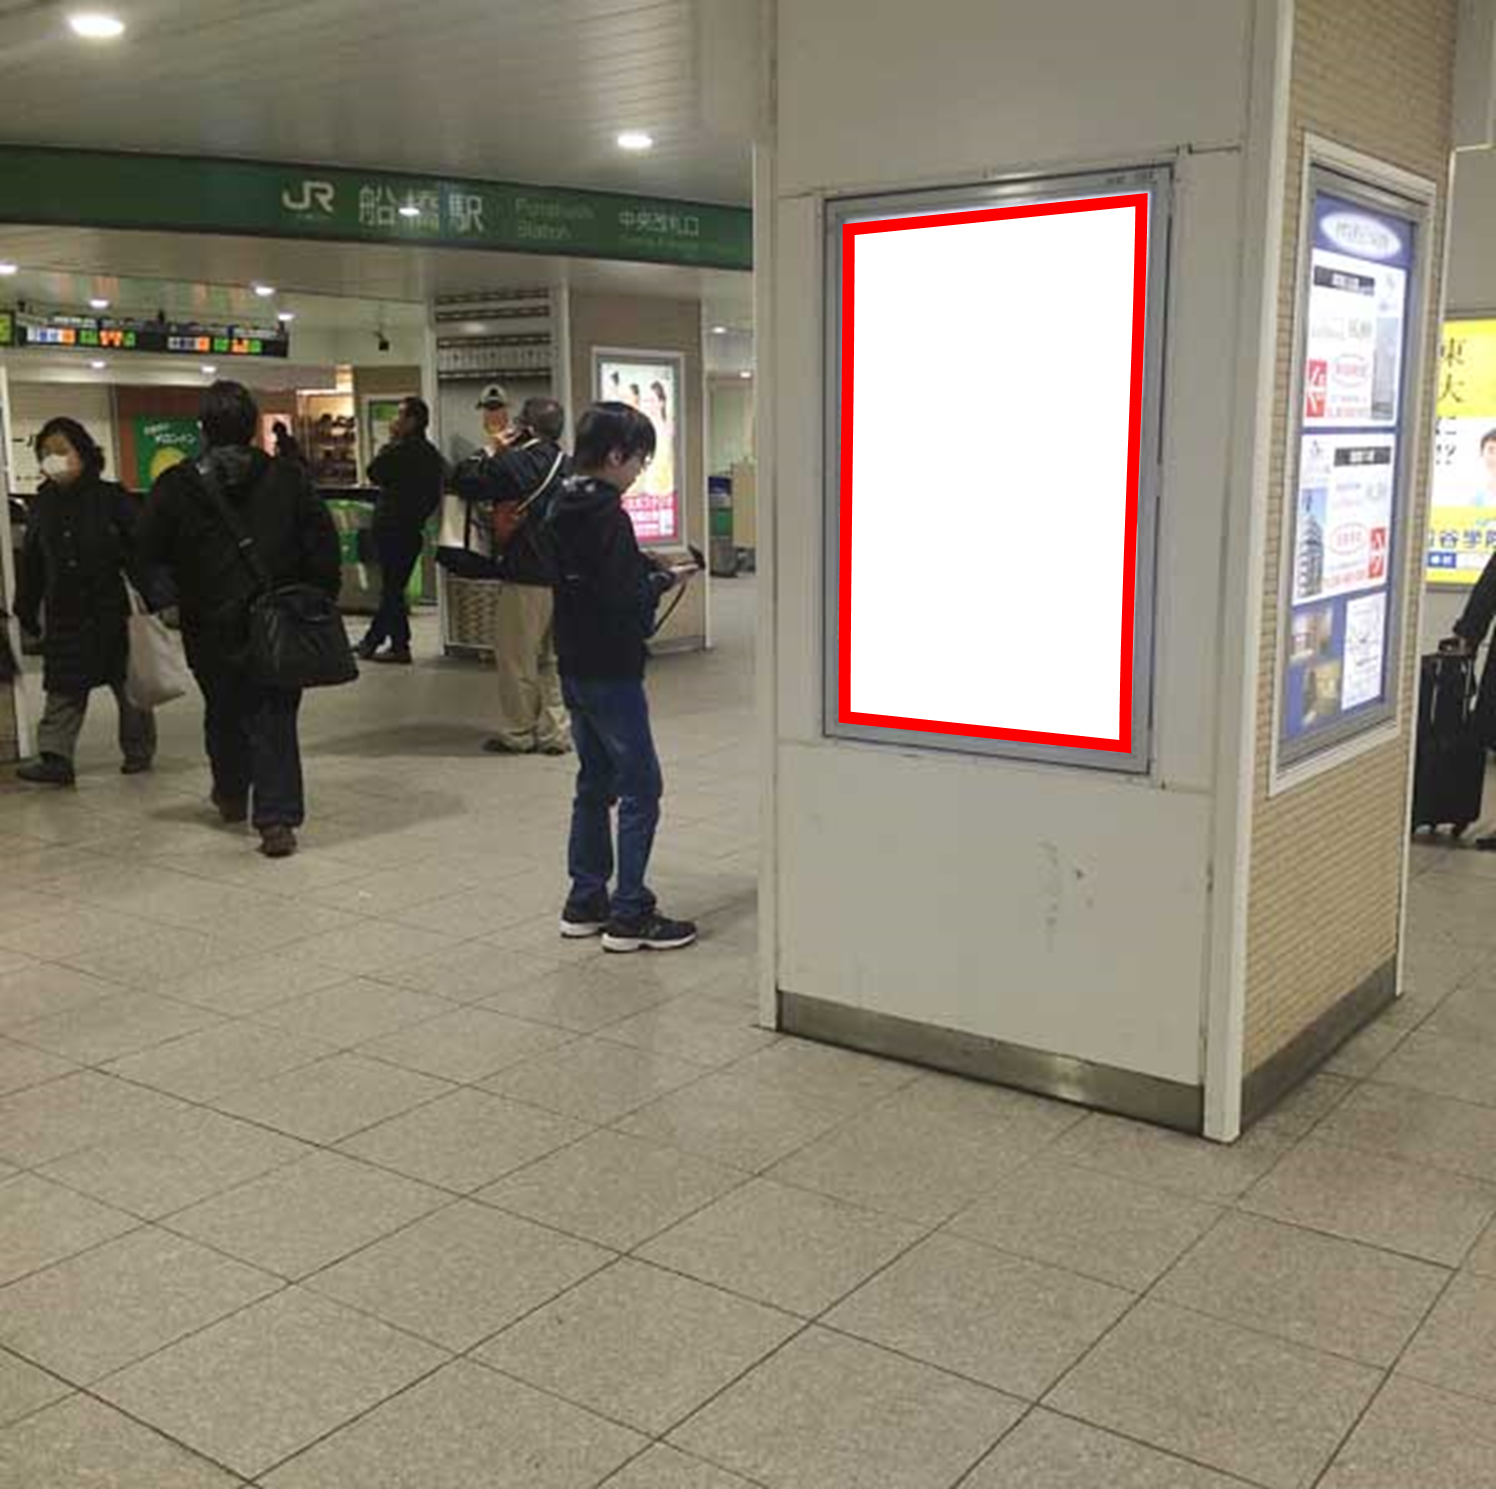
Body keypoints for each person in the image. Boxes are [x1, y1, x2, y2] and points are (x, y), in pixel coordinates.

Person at [137, 381, 340, 859]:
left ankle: (231, 791)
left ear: (203, 428)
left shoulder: (177, 485)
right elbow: (321, 543)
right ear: (252, 426)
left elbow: (146, 552)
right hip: (277, 617)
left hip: (207, 621)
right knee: (275, 715)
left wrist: (166, 600)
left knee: (222, 707)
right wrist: (317, 595)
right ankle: (276, 819)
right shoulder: (288, 479)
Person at [548, 402, 700, 951]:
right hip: (612, 667)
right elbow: (621, 598)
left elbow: (588, 578)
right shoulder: (608, 513)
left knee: (594, 781)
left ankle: (585, 900)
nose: (638, 472)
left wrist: (642, 568)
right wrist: (665, 580)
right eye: (638, 460)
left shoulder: (562, 501)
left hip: (572, 661)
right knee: (641, 786)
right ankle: (630, 912)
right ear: (616, 455)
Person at [13, 418, 157, 785]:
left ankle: (138, 750)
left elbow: (141, 550)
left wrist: (156, 596)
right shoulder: (43, 504)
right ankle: (56, 757)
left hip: (110, 608)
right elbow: (33, 562)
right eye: (45, 453)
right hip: (64, 611)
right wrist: (25, 608)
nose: (53, 459)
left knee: (128, 685)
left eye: (61, 451)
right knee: (63, 687)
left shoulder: (111, 498)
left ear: (84, 453)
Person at [459, 396, 571, 755]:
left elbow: (463, 479)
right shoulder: (569, 466)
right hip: (564, 576)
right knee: (554, 659)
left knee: (516, 657)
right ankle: (556, 732)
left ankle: (520, 731)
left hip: (526, 574)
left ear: (525, 427)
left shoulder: (514, 463)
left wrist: (492, 448)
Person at [356, 396, 446, 665]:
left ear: (412, 421)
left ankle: (384, 644)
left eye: (399, 415)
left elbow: (374, 472)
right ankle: (391, 643)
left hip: (391, 528)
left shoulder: (399, 451)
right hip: (412, 530)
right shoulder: (432, 456)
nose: (394, 421)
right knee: (394, 589)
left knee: (392, 590)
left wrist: (391, 441)